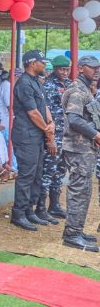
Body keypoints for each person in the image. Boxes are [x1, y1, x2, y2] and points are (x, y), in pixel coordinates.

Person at [10, 51, 56, 232]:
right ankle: (19, 213)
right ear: (32, 63)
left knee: (37, 174)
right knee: (27, 175)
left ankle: (29, 209)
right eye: (42, 62)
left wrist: (50, 122)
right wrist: (47, 129)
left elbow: (43, 106)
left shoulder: (36, 81)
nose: (44, 65)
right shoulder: (24, 83)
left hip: (36, 135)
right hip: (26, 135)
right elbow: (33, 112)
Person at [60, 55, 100, 251]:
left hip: (84, 148)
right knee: (79, 191)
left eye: (97, 68)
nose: (96, 71)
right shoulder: (77, 90)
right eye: (92, 67)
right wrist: (96, 134)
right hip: (78, 148)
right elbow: (74, 119)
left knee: (84, 190)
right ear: (81, 68)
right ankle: (72, 235)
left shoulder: (85, 88)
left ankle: (76, 230)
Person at [39, 55, 72, 221]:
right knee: (48, 171)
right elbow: (45, 113)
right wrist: (49, 138)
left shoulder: (70, 84)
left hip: (67, 135)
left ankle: (54, 205)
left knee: (60, 171)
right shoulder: (48, 85)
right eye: (61, 69)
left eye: (67, 69)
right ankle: (40, 208)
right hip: (54, 135)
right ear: (55, 69)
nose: (64, 72)